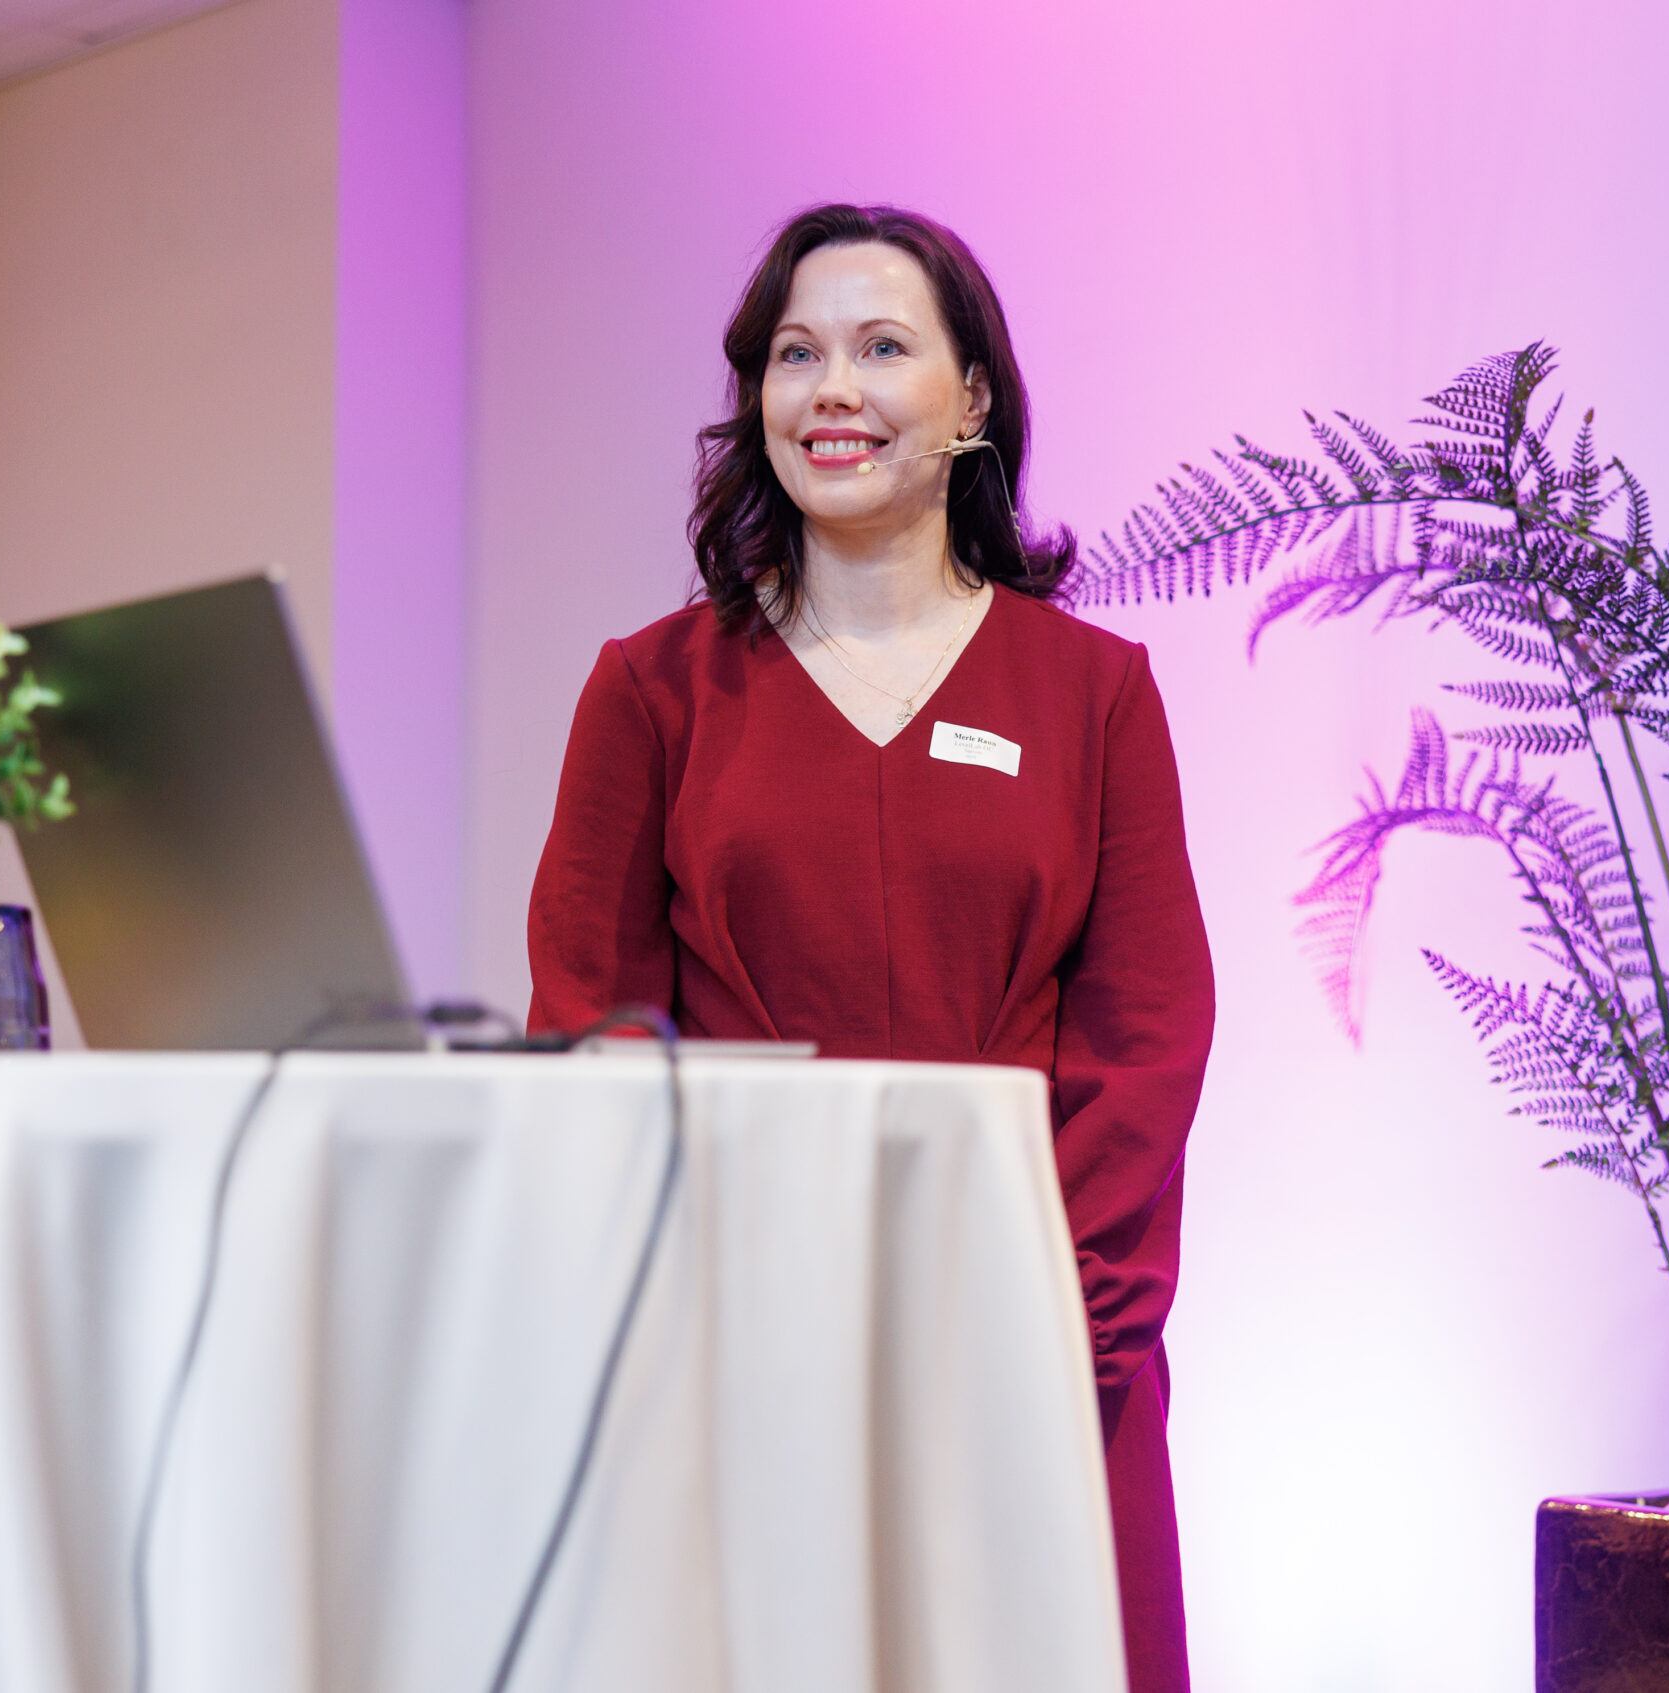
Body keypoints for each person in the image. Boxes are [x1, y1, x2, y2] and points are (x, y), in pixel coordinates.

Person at [525, 202, 1214, 1693]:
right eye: (796, 354)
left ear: (973, 401)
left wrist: (1049, 1327)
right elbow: (591, 1032)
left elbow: (1147, 1043)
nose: (832, 388)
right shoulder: (650, 691)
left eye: (883, 347)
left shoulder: (1096, 693)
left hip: (1040, 1354)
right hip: (736, 1364)